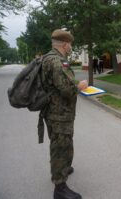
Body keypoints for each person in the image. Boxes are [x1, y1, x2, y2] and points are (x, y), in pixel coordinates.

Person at [42, 29, 88, 199]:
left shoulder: (48, 57)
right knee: (60, 146)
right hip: (59, 113)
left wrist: (73, 84)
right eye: (70, 44)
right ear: (65, 44)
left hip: (54, 111)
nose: (71, 48)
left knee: (62, 142)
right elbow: (67, 90)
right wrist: (80, 86)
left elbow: (58, 84)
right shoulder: (57, 62)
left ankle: (64, 168)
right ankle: (59, 188)